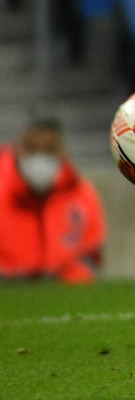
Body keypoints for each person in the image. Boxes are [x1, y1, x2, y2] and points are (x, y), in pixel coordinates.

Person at [0, 118, 106, 284]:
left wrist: (69, 279)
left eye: (49, 149)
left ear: (62, 150)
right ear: (18, 148)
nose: (40, 157)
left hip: (64, 292)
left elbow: (91, 254)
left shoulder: (80, 193)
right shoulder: (3, 190)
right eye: (32, 148)